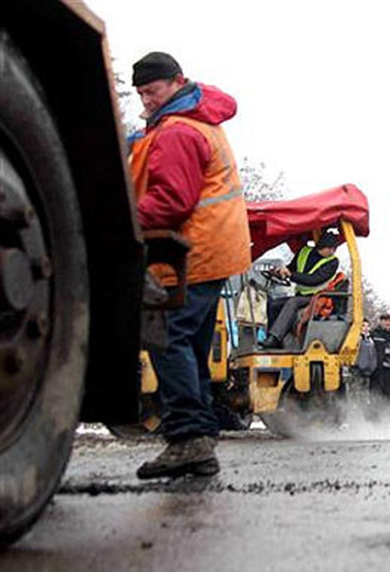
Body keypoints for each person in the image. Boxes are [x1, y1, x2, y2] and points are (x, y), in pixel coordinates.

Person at [128, 52, 251, 478]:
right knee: (192, 343)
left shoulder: (178, 130)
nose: (146, 100)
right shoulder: (195, 119)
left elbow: (170, 201)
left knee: (167, 337)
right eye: (141, 93)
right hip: (212, 250)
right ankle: (198, 441)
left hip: (190, 251)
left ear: (177, 82)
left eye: (152, 91)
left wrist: (121, 223)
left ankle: (188, 438)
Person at [260, 231, 341, 349]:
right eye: (332, 248)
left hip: (317, 297)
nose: (333, 251)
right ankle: (273, 339)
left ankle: (275, 338)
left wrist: (290, 275)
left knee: (292, 302)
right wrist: (279, 272)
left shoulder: (332, 262)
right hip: (301, 295)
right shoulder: (304, 252)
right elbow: (292, 268)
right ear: (324, 246)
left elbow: (314, 280)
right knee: (273, 304)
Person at [369, 313, 390, 420]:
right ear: (381, 321)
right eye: (385, 320)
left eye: (389, 321)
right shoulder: (374, 334)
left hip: (389, 370)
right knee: (375, 394)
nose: (387, 323)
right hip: (377, 370)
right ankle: (375, 419)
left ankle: (386, 418)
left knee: (387, 395)